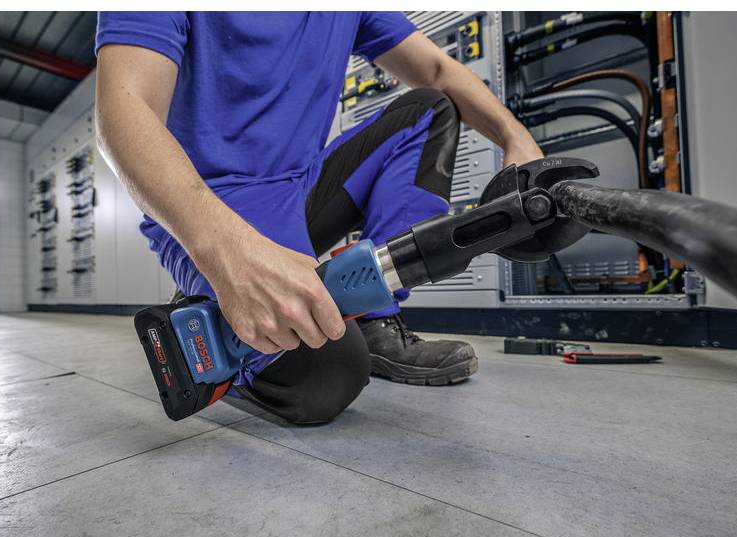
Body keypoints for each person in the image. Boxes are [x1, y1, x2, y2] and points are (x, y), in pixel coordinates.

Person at [95, 12, 542, 424]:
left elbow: (438, 70)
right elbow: (124, 108)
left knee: (429, 110)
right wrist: (228, 257)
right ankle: (212, 313)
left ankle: (375, 318)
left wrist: (515, 137)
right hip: (213, 204)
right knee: (325, 377)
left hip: (302, 188)